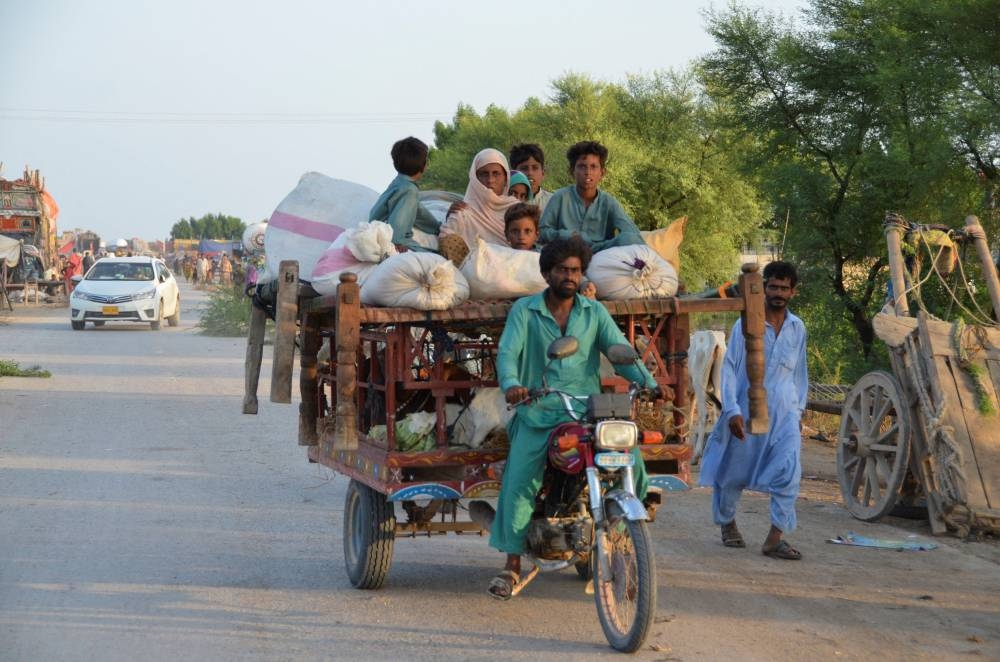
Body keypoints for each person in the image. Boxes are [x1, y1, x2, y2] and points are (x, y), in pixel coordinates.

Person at [485, 235, 659, 599]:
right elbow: (507, 353)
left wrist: (649, 383)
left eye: (576, 270)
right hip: (538, 410)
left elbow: (619, 351)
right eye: (562, 270)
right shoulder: (526, 310)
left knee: (633, 461)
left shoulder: (593, 312)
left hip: (586, 410)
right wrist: (514, 384)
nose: (570, 276)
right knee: (520, 481)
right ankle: (511, 564)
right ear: (547, 273)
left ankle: (619, 531)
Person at [698, 261, 808, 560]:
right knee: (734, 472)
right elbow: (731, 369)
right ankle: (727, 521)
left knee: (789, 472)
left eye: (784, 288)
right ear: (763, 289)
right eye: (772, 286)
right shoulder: (743, 325)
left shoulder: (798, 328)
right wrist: (731, 409)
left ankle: (775, 537)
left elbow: (799, 374)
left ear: (793, 292)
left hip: (785, 413)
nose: (778, 293)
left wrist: (799, 411)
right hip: (747, 409)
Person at [538, 141, 645, 253]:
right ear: (572, 171)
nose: (588, 172)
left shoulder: (608, 202)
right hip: (566, 251)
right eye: (582, 166)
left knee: (629, 238)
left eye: (593, 167)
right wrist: (568, 235)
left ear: (602, 173)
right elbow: (542, 231)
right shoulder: (560, 197)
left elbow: (633, 234)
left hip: (600, 253)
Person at [369, 136, 441, 252]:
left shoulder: (399, 182)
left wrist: (439, 228)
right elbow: (397, 226)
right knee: (438, 258)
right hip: (391, 237)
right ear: (425, 164)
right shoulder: (410, 190)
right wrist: (398, 242)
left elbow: (419, 212)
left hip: (377, 228)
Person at [439, 148, 519, 249]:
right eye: (484, 174)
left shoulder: (517, 210)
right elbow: (446, 239)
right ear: (475, 179)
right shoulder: (462, 213)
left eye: (496, 174)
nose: (490, 180)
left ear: (505, 178)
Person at [509, 143, 553, 211]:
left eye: (535, 168)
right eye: (524, 168)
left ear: (543, 173)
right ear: (514, 173)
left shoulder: (553, 202)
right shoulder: (504, 201)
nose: (530, 173)